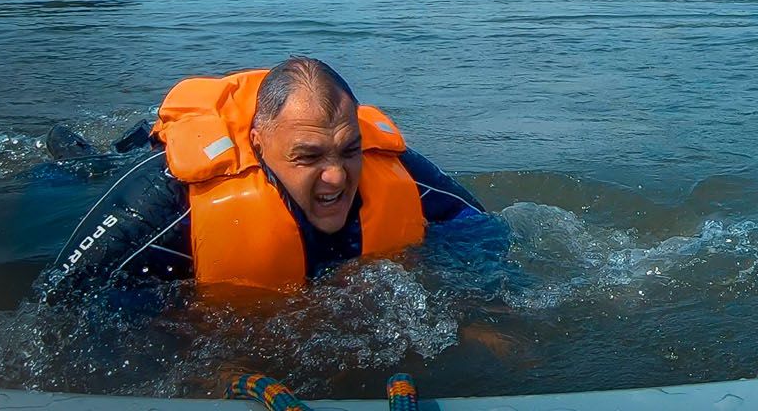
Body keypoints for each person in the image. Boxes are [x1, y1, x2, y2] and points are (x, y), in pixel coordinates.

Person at [44, 56, 506, 297]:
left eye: (348, 151)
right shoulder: (165, 197)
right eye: (308, 157)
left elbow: (482, 231)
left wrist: (486, 306)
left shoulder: (393, 168)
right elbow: (62, 300)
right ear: (260, 145)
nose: (336, 178)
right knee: (81, 169)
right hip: (132, 166)